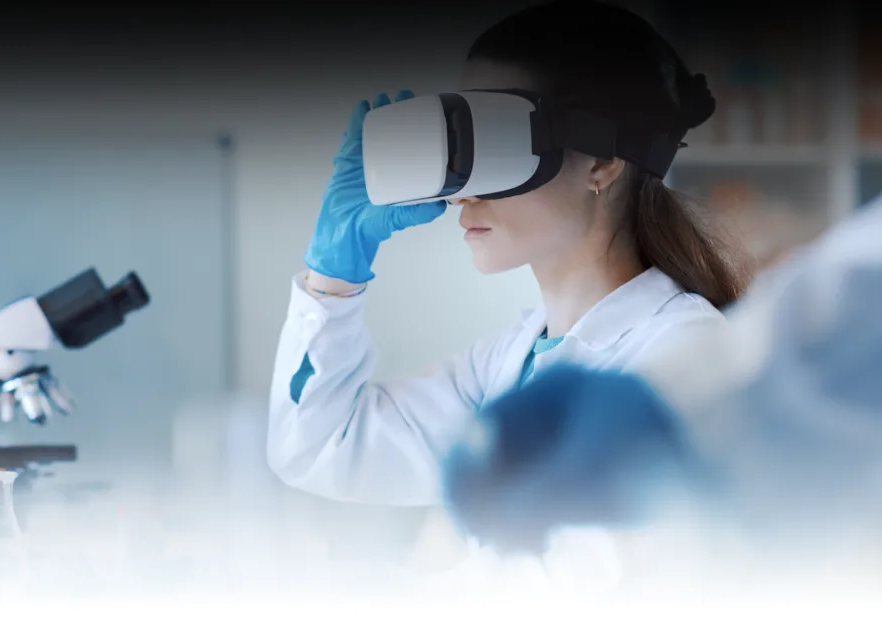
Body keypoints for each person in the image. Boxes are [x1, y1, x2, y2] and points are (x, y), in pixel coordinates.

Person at [267, 0, 749, 510]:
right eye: (461, 146)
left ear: (602, 163)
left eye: (496, 143)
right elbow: (321, 447)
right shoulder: (507, 362)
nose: (463, 193)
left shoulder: (685, 355)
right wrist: (332, 275)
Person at [440, 191, 882, 592]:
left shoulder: (678, 336)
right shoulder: (511, 348)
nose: (463, 198)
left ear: (602, 165)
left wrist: (680, 413)